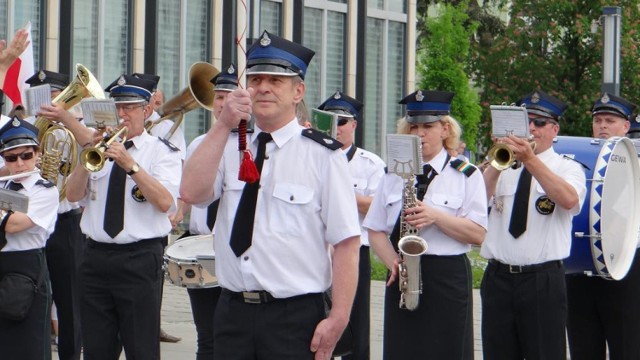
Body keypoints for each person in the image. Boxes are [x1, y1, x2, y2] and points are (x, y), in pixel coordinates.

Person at [180, 30, 361, 359]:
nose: (263, 87)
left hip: (292, 318)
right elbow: (191, 193)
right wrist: (222, 124)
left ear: (298, 91)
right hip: (232, 310)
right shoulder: (227, 144)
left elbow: (347, 243)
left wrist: (339, 317)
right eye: (257, 78)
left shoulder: (323, 156)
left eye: (276, 80)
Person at [363, 90, 487, 359]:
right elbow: (374, 229)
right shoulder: (393, 173)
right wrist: (392, 262)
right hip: (403, 273)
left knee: (448, 350)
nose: (419, 133)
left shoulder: (466, 174)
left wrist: (436, 217)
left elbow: (478, 234)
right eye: (413, 126)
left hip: (447, 276)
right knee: (402, 349)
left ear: (445, 129)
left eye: (428, 126)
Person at [65, 74, 182, 360]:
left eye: (129, 107)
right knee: (96, 349)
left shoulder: (161, 152)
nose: (122, 114)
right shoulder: (99, 149)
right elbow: (72, 195)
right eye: (117, 107)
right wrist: (85, 155)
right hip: (94, 256)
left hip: (139, 259)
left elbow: (166, 202)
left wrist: (131, 166)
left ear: (146, 110)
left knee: (141, 347)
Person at [480, 90, 587, 360]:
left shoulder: (567, 168)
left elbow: (569, 200)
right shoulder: (501, 164)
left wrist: (530, 160)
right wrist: (495, 161)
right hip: (498, 278)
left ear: (554, 129)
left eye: (538, 123)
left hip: (543, 281)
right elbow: (476, 202)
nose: (531, 129)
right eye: (526, 121)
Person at [171, 63, 238, 359]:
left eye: (229, 95)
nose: (222, 102)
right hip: (200, 245)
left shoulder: (250, 144)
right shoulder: (200, 142)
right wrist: (177, 211)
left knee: (232, 334)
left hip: (233, 248)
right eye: (219, 96)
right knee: (206, 335)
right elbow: (189, 188)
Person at [566, 93, 640, 360]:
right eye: (598, 120)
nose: (602, 126)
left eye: (610, 120)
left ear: (626, 126)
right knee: (583, 345)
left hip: (626, 263)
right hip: (581, 268)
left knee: (627, 345)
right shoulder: (579, 161)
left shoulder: (636, 162)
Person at [316, 90, 384, 360]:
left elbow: (374, 206)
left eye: (342, 122)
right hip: (318, 248)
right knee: (315, 315)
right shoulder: (314, 156)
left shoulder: (370, 163)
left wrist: (339, 191)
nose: (337, 128)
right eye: (330, 121)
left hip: (354, 250)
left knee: (355, 319)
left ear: (354, 124)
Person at [28, 69, 89, 360]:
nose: (48, 103)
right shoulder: (25, 128)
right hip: (30, 223)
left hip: (65, 222)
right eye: (41, 97)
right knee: (30, 300)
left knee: (70, 304)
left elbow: (90, 164)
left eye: (54, 96)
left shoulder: (77, 130)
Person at [0, 116, 59, 359]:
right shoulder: (4, 186)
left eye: (26, 155)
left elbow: (15, 225)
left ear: (37, 153)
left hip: (26, 269)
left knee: (29, 346)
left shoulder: (45, 190)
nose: (20, 164)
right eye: (12, 158)